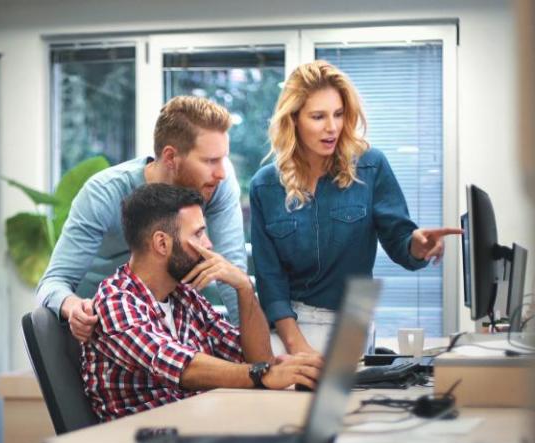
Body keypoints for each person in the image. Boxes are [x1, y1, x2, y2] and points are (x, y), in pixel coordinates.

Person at [250, 60, 461, 355]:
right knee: (285, 402)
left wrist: (417, 245)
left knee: (347, 401)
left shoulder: (371, 165)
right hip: (290, 330)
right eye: (318, 116)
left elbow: (400, 242)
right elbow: (270, 280)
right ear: (294, 119)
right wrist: (298, 347)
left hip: (353, 322)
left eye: (338, 114)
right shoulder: (265, 186)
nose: (332, 127)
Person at [82, 183, 323, 421]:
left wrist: (244, 288)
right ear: (162, 243)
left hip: (196, 430)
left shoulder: (184, 296)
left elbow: (256, 360)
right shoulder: (115, 301)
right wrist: (264, 374)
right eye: (198, 233)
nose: (208, 244)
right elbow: (180, 366)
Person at [37, 96, 248, 343]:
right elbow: (53, 282)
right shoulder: (103, 193)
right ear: (170, 157)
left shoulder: (216, 184)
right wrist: (73, 307)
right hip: (102, 330)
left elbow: (231, 272)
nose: (221, 172)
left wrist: (254, 356)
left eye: (223, 158)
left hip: (164, 326)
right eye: (210, 160)